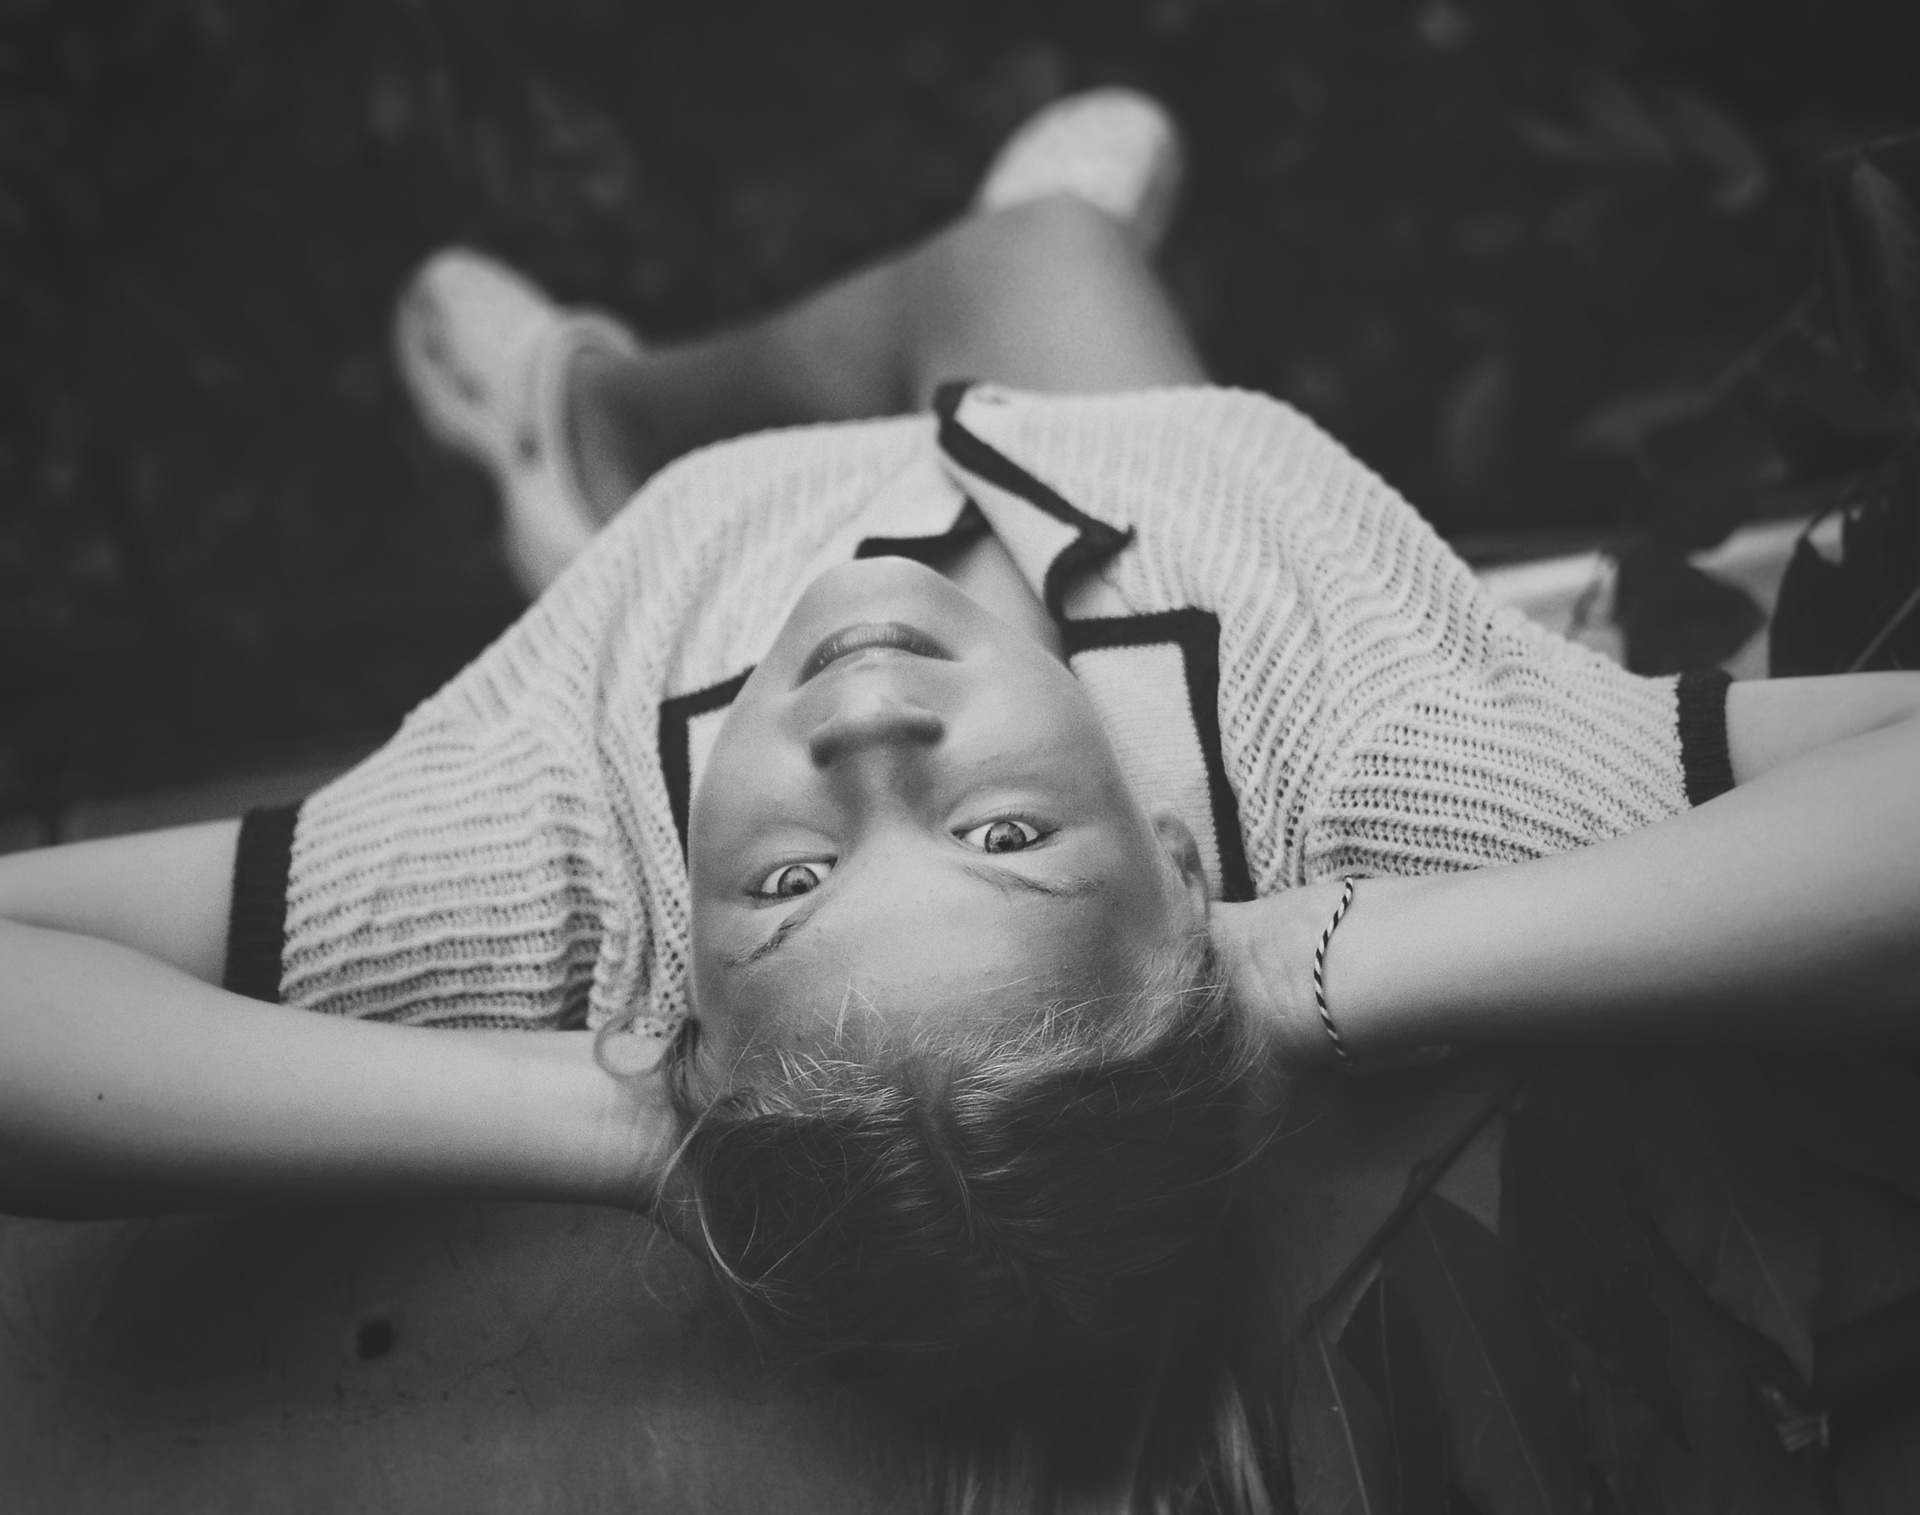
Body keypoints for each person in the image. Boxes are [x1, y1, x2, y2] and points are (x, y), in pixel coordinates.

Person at [2, 89, 1917, 1513]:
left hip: (722, 537)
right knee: (1040, 266)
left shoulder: (559, 866)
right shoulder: (1372, 763)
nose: (865, 740)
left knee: (968, 295)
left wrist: (633, 1117)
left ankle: (589, 434)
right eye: (1008, 841)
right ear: (1189, 873)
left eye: (784, 885)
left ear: (679, 989)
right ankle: (859, 323)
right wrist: (1331, 965)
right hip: (1152, 478)